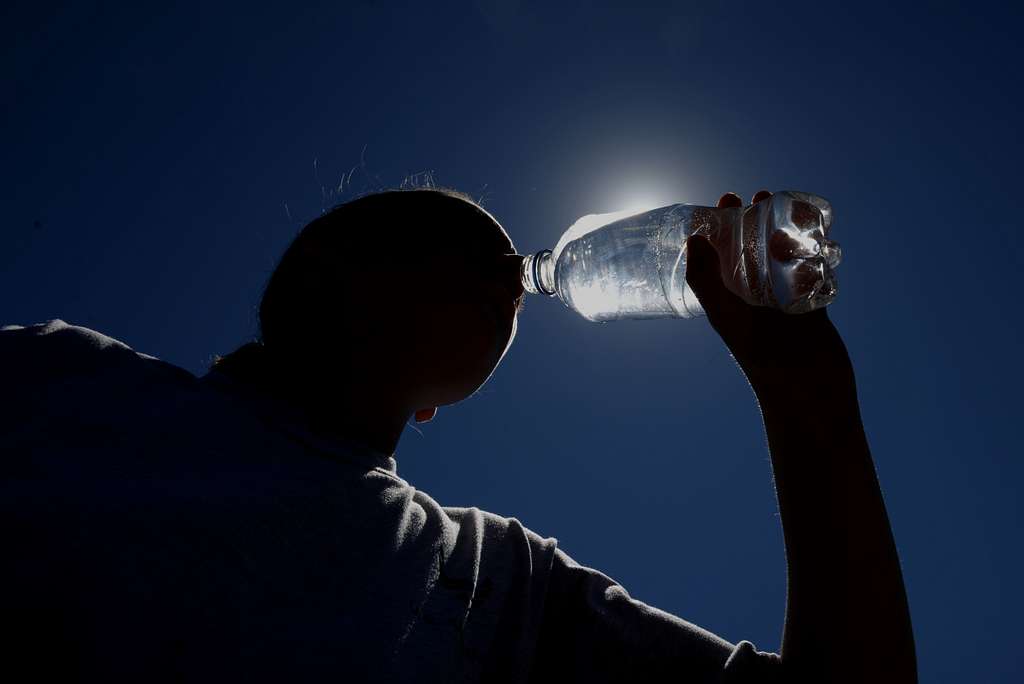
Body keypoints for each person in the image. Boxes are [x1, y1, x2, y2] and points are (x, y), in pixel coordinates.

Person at [0, 188, 916, 682]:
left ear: (439, 402)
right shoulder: (62, 377)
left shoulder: (496, 586)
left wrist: (808, 394)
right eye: (434, 237)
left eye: (501, 269)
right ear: (322, 277)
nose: (503, 271)